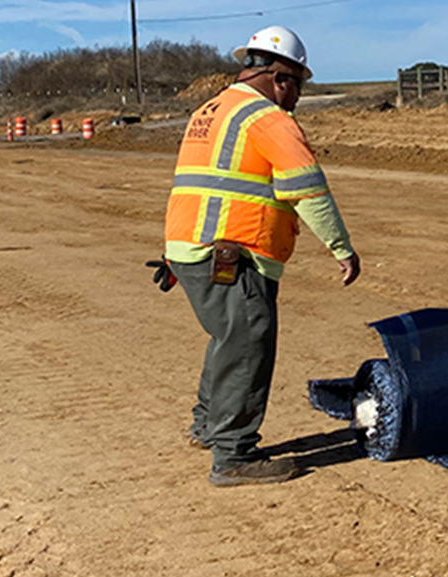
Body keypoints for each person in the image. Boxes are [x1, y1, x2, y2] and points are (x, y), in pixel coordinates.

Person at [150, 25, 360, 487]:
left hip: (189, 248)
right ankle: (234, 455)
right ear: (280, 77)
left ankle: (208, 425)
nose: (298, 97)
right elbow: (308, 190)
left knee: (229, 338)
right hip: (231, 252)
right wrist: (342, 250)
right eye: (298, 85)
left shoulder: (210, 110)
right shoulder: (268, 119)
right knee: (248, 342)